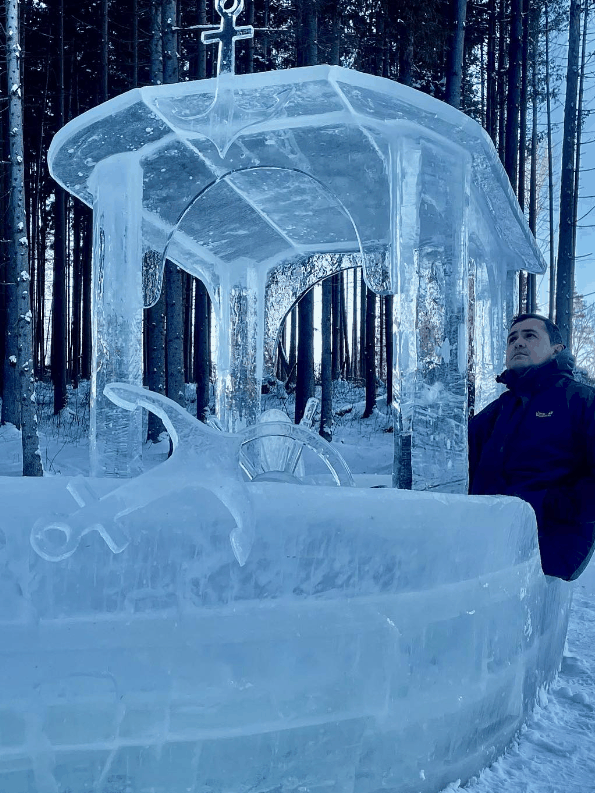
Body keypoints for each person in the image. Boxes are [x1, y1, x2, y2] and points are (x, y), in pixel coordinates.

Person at [468, 312, 595, 581]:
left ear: (556, 349)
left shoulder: (582, 400)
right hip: (484, 549)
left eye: (530, 336)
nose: (518, 343)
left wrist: (544, 505)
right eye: (512, 338)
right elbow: (453, 462)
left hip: (548, 555)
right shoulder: (498, 411)